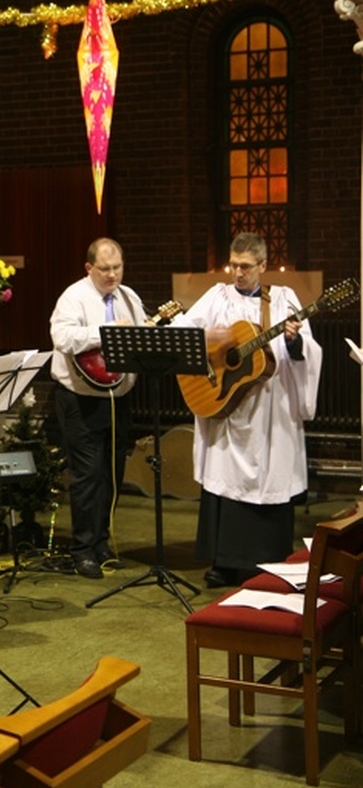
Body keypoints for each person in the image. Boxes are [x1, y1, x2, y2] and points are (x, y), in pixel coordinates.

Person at [174, 232, 323, 587]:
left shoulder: (285, 300)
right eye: (233, 265)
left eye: (245, 267)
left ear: (262, 265)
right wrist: (215, 341)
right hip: (227, 403)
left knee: (268, 480)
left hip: (269, 414)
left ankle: (267, 561)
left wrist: (295, 341)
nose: (237, 273)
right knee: (224, 480)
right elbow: (183, 332)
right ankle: (223, 563)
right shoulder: (217, 297)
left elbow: (309, 350)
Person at [50, 237, 148, 578]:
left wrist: (146, 332)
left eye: (117, 267)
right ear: (89, 267)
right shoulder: (73, 297)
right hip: (80, 399)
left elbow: (138, 333)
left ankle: (102, 542)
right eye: (105, 269)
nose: (112, 275)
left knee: (112, 473)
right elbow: (62, 338)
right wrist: (106, 331)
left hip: (117, 396)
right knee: (87, 476)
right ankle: (82, 549)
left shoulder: (129, 298)